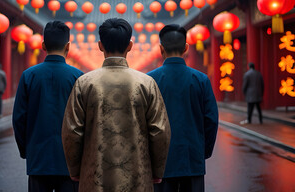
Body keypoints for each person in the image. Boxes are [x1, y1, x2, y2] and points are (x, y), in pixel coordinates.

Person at [62, 18, 171, 192]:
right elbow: (159, 131)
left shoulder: (84, 83)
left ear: (100, 45)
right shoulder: (146, 83)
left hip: (94, 176)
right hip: (138, 176)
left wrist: (75, 169)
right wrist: (157, 170)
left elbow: (73, 131)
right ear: (130, 45)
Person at [12, 21, 83, 192]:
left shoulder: (29, 76)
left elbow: (19, 119)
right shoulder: (78, 77)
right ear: (68, 46)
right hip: (69, 161)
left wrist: (26, 150)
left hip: (38, 159)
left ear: (43, 45)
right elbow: (85, 121)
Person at [147, 24, 218, 192]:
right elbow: (211, 120)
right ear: (186, 48)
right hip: (192, 157)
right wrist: (203, 151)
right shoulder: (201, 80)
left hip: (160, 161)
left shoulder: (149, 80)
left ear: (161, 48)